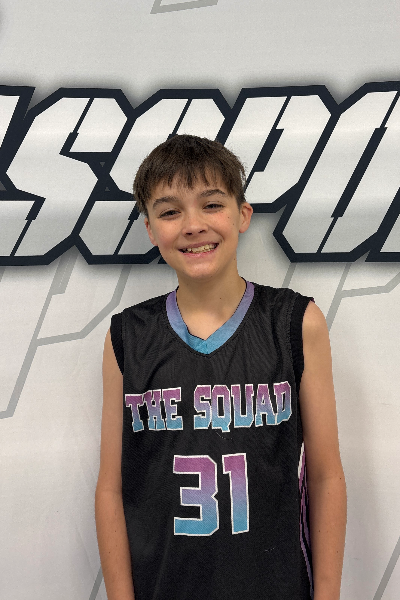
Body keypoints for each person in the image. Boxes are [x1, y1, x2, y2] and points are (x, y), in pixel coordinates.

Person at [95, 134, 347, 600]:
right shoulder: (127, 336)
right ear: (150, 229)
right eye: (170, 212)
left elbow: (326, 475)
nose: (193, 225)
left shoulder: (295, 322)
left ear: (242, 214)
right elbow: (112, 488)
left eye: (211, 205)